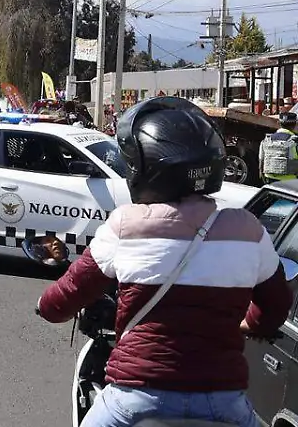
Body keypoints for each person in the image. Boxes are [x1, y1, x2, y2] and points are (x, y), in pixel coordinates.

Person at [35, 96, 293, 427]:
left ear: (144, 167)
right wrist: (249, 324)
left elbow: (67, 294)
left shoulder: (125, 226)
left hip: (135, 400)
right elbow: (275, 307)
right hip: (224, 403)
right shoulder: (248, 229)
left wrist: (46, 306)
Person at [259, 110, 298, 184]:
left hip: (269, 179)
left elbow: (261, 161)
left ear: (279, 123)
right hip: (291, 182)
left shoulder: (267, 139)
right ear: (295, 124)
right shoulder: (295, 141)